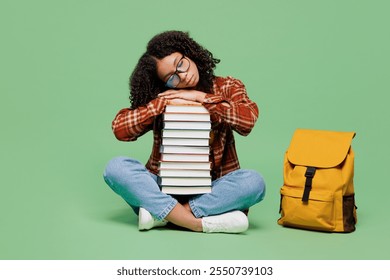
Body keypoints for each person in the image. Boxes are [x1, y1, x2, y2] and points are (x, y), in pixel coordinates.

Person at [103, 30, 265, 233]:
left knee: (254, 183)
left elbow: (248, 119)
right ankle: (198, 223)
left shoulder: (227, 86)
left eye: (181, 64)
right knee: (115, 168)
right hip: (163, 189)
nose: (183, 75)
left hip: (212, 189)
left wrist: (199, 97)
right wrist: (160, 103)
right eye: (172, 77)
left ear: (190, 53)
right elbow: (120, 129)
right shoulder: (162, 96)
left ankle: (162, 215)